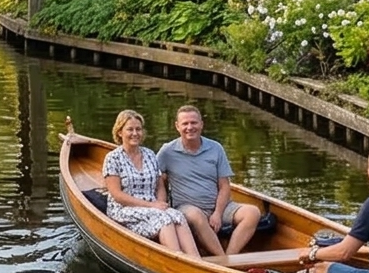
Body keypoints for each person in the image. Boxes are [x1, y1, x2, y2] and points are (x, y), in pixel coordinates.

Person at [155, 105, 263, 258]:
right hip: (186, 208)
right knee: (196, 215)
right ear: (177, 126)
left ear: (201, 124)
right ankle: (222, 260)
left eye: (194, 122)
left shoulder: (215, 148)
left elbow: (224, 186)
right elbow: (153, 177)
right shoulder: (167, 152)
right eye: (185, 124)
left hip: (219, 206)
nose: (190, 127)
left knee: (252, 212)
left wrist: (218, 213)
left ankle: (230, 257)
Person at [96, 109, 197, 257]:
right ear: (120, 132)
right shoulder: (113, 158)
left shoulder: (149, 154)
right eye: (130, 129)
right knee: (163, 219)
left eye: (138, 129)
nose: (135, 133)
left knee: (177, 216)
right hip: (124, 209)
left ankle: (196, 260)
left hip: (151, 207)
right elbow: (117, 195)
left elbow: (159, 185)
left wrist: (161, 203)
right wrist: (151, 206)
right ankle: (178, 259)